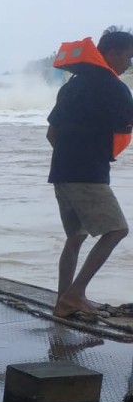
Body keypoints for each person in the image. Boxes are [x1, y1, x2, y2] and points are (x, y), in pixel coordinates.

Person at [47, 29, 133, 319]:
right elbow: (125, 126)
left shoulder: (72, 85)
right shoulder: (113, 87)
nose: (129, 63)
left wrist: (70, 156)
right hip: (87, 173)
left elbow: (52, 133)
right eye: (128, 56)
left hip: (61, 171)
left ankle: (63, 300)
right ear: (113, 53)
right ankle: (74, 296)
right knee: (117, 230)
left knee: (76, 236)